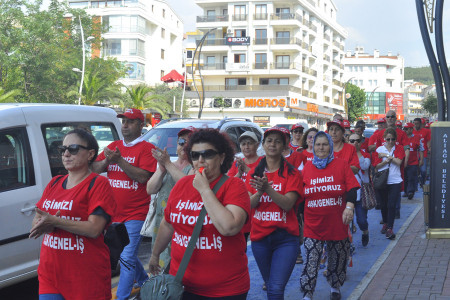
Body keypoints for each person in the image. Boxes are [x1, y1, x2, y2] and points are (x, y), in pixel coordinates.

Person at [149, 128, 251, 299]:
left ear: (222, 157)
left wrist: (205, 190)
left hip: (225, 290)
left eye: (208, 154)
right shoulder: (182, 185)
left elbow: (229, 227)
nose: (200, 161)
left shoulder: (234, 186)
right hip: (181, 284)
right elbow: (168, 223)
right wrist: (154, 254)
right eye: (195, 156)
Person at [30, 128, 116, 300]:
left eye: (73, 149)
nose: (66, 154)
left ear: (91, 154)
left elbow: (94, 229)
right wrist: (46, 223)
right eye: (63, 149)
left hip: (85, 276)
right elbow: (36, 224)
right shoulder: (54, 183)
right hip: (50, 274)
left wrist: (56, 221)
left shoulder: (99, 184)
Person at [92, 108, 157, 300]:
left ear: (140, 125)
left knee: (126, 258)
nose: (125, 125)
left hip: (135, 214)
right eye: (123, 122)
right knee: (123, 254)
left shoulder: (146, 149)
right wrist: (107, 162)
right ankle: (144, 280)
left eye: (130, 121)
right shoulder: (113, 146)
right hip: (113, 214)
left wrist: (119, 160)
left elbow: (143, 177)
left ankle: (122, 297)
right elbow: (94, 169)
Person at [300, 131, 360, 300]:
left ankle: (335, 286)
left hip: (337, 222)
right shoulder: (307, 167)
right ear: (312, 146)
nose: (321, 148)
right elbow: (300, 196)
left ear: (330, 146)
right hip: (313, 224)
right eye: (317, 144)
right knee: (311, 259)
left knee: (338, 257)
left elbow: (352, 188)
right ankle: (307, 293)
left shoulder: (341, 165)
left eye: (324, 144)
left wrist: (349, 207)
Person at [246, 127, 303, 299]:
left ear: (284, 147)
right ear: (263, 144)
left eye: (278, 141)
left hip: (285, 238)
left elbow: (287, 204)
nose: (273, 144)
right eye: (269, 140)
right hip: (260, 239)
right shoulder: (253, 173)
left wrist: (267, 189)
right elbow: (249, 204)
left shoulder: (292, 173)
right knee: (270, 285)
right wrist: (259, 192)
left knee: (276, 288)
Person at [145, 127, 194, 272]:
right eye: (181, 142)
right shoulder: (167, 164)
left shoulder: (194, 167)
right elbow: (150, 189)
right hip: (161, 224)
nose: (184, 145)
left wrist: (167, 164)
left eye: (189, 142)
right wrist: (161, 169)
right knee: (159, 263)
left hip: (181, 224)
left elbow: (187, 185)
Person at [374, 128, 405, 240]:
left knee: (391, 205)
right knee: (383, 204)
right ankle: (386, 223)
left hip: (395, 180)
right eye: (388, 139)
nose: (390, 141)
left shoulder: (399, 148)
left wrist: (386, 156)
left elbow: (399, 162)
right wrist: (388, 160)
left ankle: (390, 228)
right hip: (383, 180)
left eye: (392, 139)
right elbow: (376, 167)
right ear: (384, 139)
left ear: (395, 139)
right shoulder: (379, 149)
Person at [349, 132, 371, 246]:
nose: (354, 143)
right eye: (351, 141)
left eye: (357, 140)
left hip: (361, 193)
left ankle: (365, 231)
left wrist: (357, 152)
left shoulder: (365, 155)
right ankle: (348, 245)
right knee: (345, 222)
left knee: (361, 220)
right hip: (347, 193)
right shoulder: (345, 154)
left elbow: (364, 166)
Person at [403, 123, 423, 200]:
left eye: (406, 129)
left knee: (411, 177)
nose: (405, 130)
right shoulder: (402, 138)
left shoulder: (417, 138)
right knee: (405, 177)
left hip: (413, 162)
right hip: (403, 162)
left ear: (411, 129)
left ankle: (411, 191)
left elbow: (421, 149)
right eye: (404, 129)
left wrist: (421, 159)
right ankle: (406, 191)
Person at [413, 118, 431, 188]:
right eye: (414, 123)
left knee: (423, 170)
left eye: (417, 123)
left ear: (420, 124)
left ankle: (422, 182)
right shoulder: (412, 131)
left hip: (424, 154)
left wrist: (429, 148)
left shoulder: (426, 131)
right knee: (415, 171)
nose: (415, 125)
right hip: (414, 154)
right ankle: (415, 185)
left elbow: (428, 141)